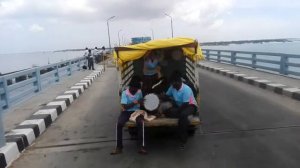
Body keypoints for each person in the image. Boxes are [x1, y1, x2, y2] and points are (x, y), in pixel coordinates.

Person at [111, 79, 147, 155]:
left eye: (137, 89)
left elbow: (141, 103)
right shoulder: (125, 93)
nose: (136, 91)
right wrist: (136, 102)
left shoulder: (139, 92)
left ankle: (142, 147)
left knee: (141, 123)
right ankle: (119, 147)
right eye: (135, 89)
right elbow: (125, 106)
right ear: (130, 87)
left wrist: (144, 103)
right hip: (126, 112)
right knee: (119, 124)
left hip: (136, 111)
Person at [164, 71, 197, 149]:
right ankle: (187, 118)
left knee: (183, 115)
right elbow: (167, 95)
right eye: (172, 83)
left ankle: (183, 139)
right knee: (168, 111)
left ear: (179, 82)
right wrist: (162, 96)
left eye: (174, 83)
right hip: (179, 106)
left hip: (190, 106)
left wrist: (177, 111)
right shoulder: (172, 87)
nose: (172, 85)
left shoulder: (186, 89)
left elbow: (185, 104)